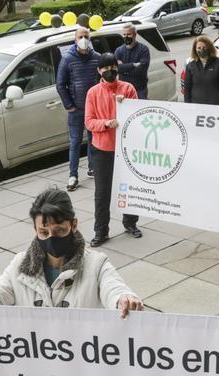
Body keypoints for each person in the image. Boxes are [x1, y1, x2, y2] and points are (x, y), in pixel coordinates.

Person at [0, 188, 144, 316]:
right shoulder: (19, 266)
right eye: (43, 232)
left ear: (73, 225)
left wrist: (124, 300)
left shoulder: (96, 264)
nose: (51, 238)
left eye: (59, 231)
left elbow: (114, 290)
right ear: (35, 230)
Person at [84, 54, 142, 246]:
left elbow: (137, 117)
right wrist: (106, 124)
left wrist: (125, 105)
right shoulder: (93, 93)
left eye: (113, 67)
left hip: (126, 148)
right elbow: (89, 121)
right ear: (99, 71)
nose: (110, 71)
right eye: (105, 68)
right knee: (102, 192)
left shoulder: (128, 88)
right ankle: (101, 231)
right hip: (102, 149)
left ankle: (131, 223)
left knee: (129, 187)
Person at [57, 27, 101, 191]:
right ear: (75, 39)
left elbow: (101, 81)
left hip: (92, 110)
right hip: (76, 109)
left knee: (93, 140)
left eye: (86, 36)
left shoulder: (96, 58)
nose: (83, 39)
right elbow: (60, 84)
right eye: (80, 36)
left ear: (90, 39)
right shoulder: (68, 59)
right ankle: (73, 175)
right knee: (75, 142)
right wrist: (69, 105)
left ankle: (92, 167)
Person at [184, 36, 219, 104]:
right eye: (199, 48)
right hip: (196, 104)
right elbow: (187, 88)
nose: (201, 49)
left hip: (215, 103)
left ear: (209, 48)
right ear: (195, 50)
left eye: (204, 47)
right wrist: (188, 104)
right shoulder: (190, 66)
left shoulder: (218, 62)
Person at [115, 23, 151, 99]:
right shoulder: (119, 51)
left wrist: (124, 69)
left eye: (129, 34)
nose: (126, 37)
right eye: (124, 34)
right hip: (123, 89)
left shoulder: (143, 49)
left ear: (135, 34)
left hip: (140, 89)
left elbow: (142, 70)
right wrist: (133, 65)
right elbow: (117, 68)